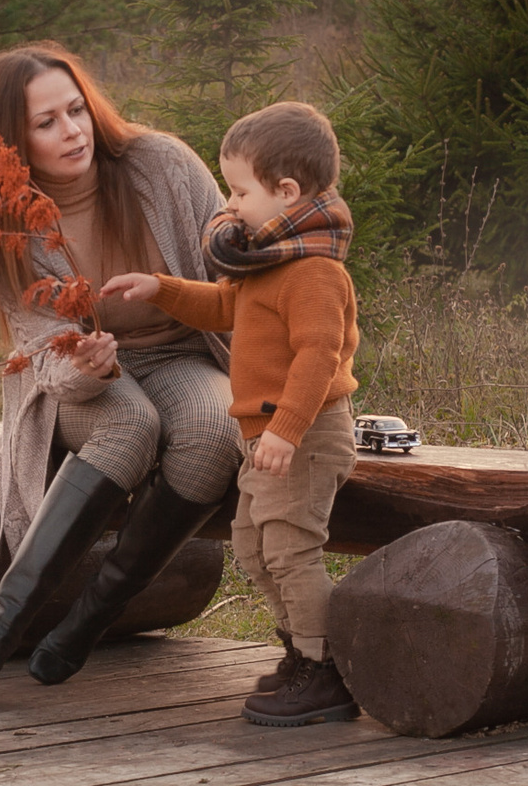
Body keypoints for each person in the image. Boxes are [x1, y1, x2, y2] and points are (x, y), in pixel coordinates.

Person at [0, 44, 242, 714]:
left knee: (217, 428)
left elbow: (235, 272)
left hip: (184, 355)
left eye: (75, 109)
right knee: (130, 422)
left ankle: (90, 620)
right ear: (11, 143)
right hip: (82, 384)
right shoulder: (7, 225)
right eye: (46, 123)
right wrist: (84, 366)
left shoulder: (160, 164)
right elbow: (43, 358)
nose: (71, 129)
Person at [100, 101, 362, 726]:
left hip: (301, 435)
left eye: (240, 191)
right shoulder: (268, 259)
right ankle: (300, 651)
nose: (230, 204)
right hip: (264, 435)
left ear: (286, 192)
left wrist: (286, 431)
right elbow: (224, 307)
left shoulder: (315, 271)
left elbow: (318, 357)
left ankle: (330, 671)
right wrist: (159, 287)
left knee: (291, 550)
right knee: (251, 547)